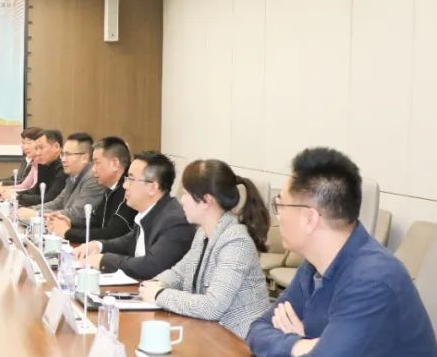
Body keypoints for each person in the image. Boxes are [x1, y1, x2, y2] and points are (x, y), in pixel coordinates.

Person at [247, 148, 437, 357]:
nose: (277, 215)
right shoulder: (314, 265)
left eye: (280, 204)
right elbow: (257, 331)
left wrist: (302, 349)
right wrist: (300, 345)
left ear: (309, 218)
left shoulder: (373, 280)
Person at [138, 159, 271, 339]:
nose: (181, 200)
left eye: (186, 193)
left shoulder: (237, 242)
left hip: (240, 341)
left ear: (207, 200)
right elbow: (180, 273)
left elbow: (212, 306)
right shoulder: (203, 232)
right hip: (211, 333)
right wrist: (154, 284)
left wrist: (160, 295)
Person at [75, 151, 194, 281]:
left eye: (131, 179)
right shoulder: (151, 211)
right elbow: (130, 242)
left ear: (152, 187)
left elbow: (151, 266)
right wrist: (98, 245)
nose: (125, 185)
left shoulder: (176, 222)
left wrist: (104, 260)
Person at [49, 136, 136, 243]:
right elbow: (95, 222)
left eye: (97, 163)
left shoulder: (128, 191)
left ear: (114, 164)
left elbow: (111, 233)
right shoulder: (110, 188)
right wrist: (71, 224)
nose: (93, 169)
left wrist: (68, 232)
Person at [19, 133, 104, 226]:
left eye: (68, 154)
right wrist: (31, 210)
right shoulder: (73, 176)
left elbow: (77, 213)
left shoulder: (93, 178)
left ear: (84, 158)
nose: (63, 159)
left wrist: (37, 214)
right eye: (62, 154)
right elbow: (58, 203)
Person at [17, 129, 67, 207]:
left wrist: (18, 197)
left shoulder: (65, 166)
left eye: (41, 148)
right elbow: (35, 191)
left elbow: (49, 199)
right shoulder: (43, 164)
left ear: (56, 147)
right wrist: (16, 195)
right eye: (36, 148)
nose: (37, 153)